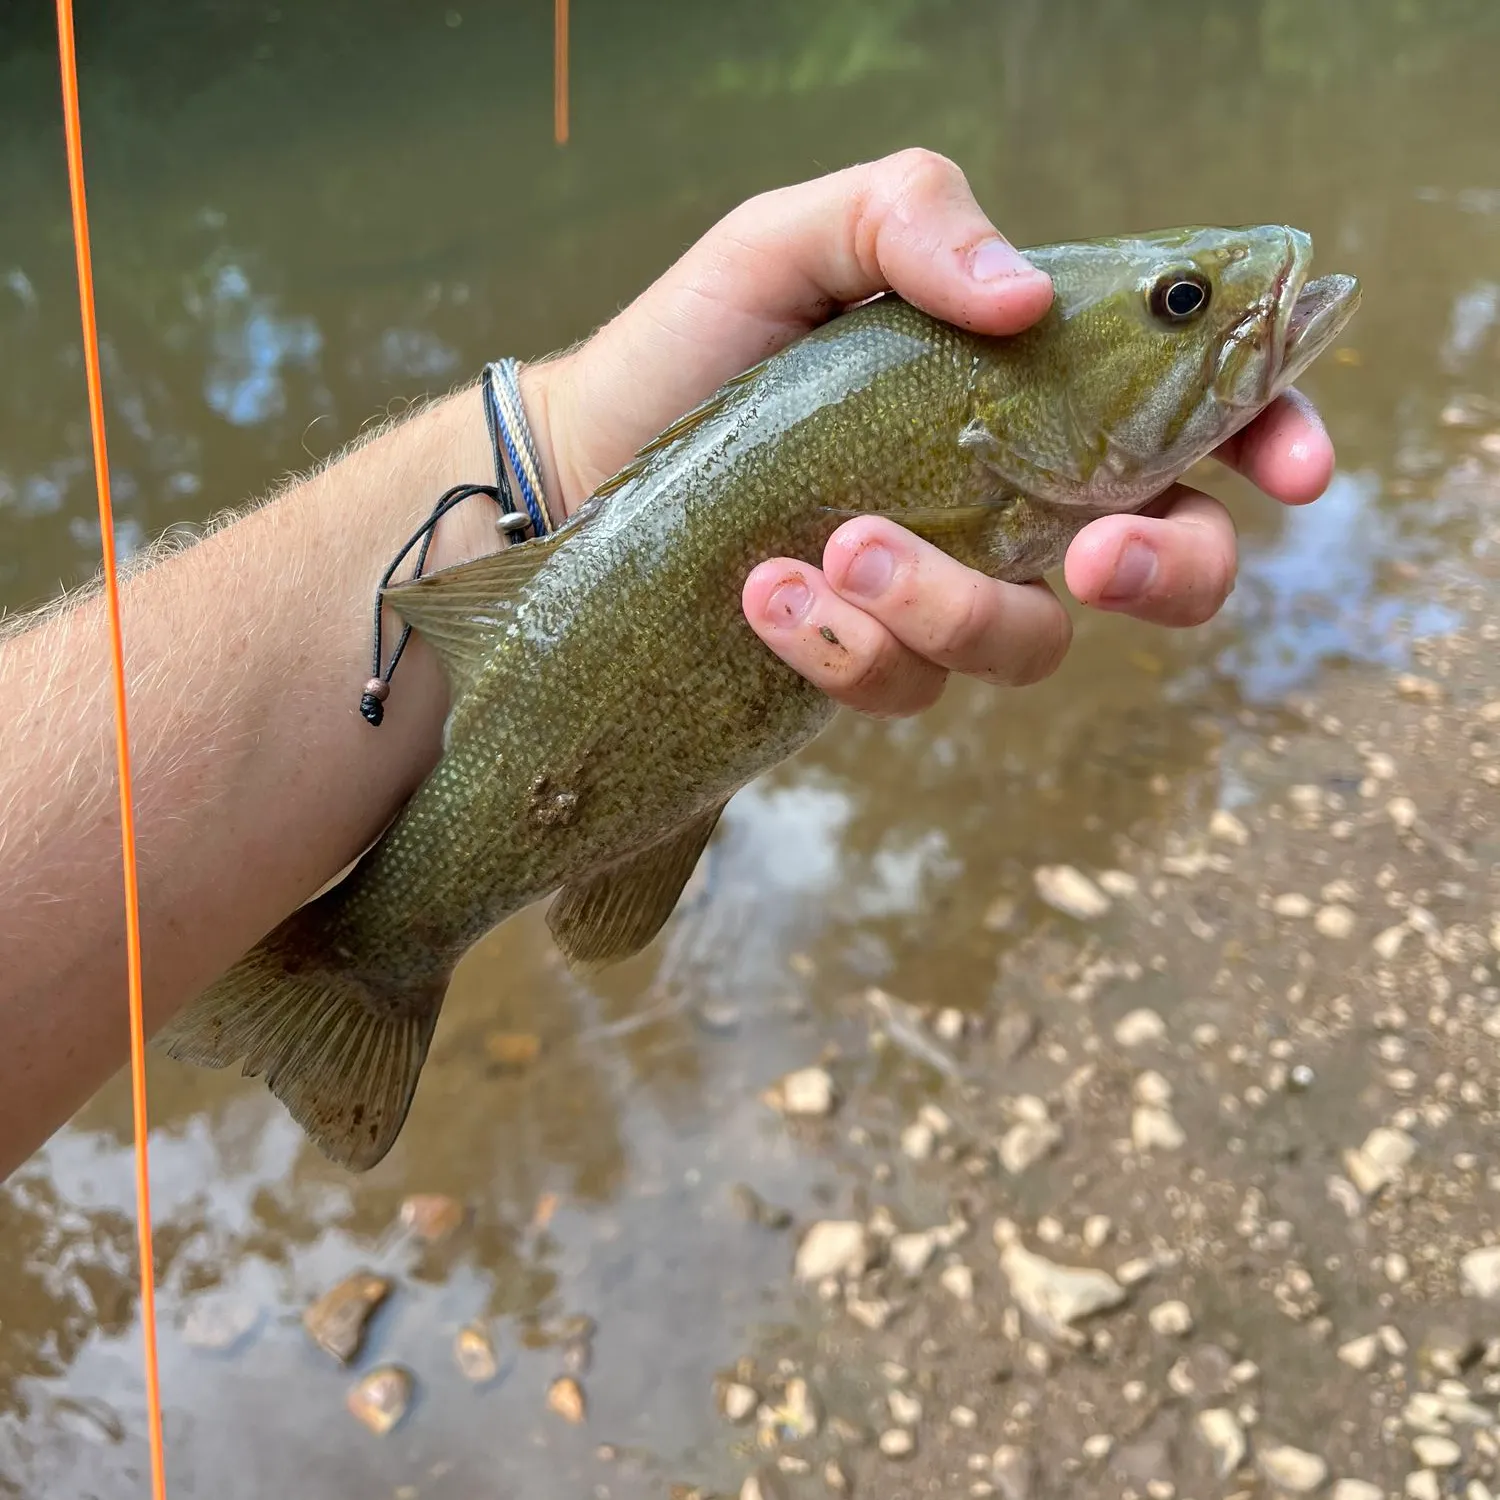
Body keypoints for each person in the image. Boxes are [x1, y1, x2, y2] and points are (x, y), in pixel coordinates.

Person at [0, 150, 1335, 1178]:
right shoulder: (994, 404)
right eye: (1179, 303)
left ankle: (383, 943)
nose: (1218, 301)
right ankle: (371, 953)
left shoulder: (1009, 429)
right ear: (1012, 408)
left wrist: (556, 449)